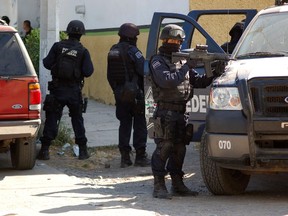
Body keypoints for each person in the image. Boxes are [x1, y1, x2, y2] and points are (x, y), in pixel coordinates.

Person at [149, 24, 216, 199]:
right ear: (164, 41)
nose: (175, 43)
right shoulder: (158, 61)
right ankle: (159, 185)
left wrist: (213, 73)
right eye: (172, 40)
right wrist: (188, 66)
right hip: (165, 112)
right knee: (165, 147)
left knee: (179, 149)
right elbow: (167, 81)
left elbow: (198, 82)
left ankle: (177, 184)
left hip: (181, 113)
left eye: (178, 41)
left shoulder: (182, 61)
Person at [37, 20, 94, 160]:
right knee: (77, 120)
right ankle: (82, 151)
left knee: (52, 119)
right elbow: (88, 71)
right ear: (81, 34)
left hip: (57, 90)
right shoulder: (83, 51)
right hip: (74, 91)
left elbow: (46, 63)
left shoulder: (57, 47)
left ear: (68, 33)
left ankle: (45, 150)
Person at [107, 23, 150, 168]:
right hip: (135, 94)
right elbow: (143, 70)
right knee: (139, 124)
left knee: (124, 124)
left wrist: (117, 90)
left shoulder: (113, 51)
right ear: (132, 37)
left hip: (120, 95)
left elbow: (109, 75)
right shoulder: (134, 51)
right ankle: (140, 156)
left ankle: (125, 158)